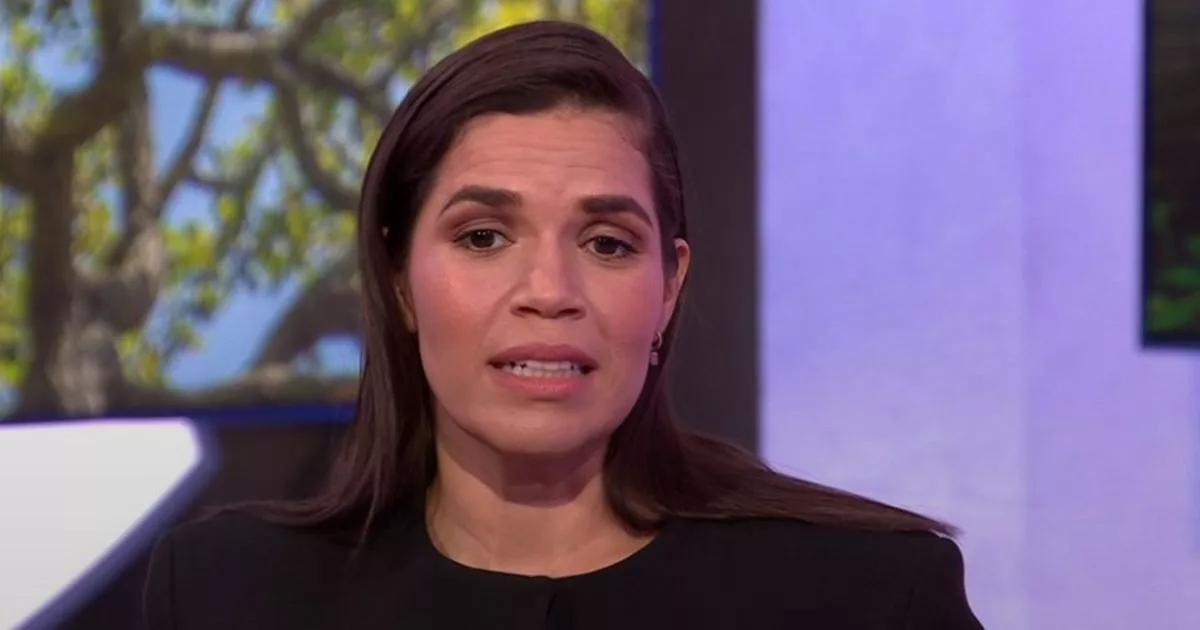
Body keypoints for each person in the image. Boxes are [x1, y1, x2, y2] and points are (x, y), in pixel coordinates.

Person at [143, 20, 983, 629]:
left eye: (607, 243)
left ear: (669, 287)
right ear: (399, 281)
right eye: (483, 237)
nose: (549, 291)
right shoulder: (225, 596)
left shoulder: (871, 597)